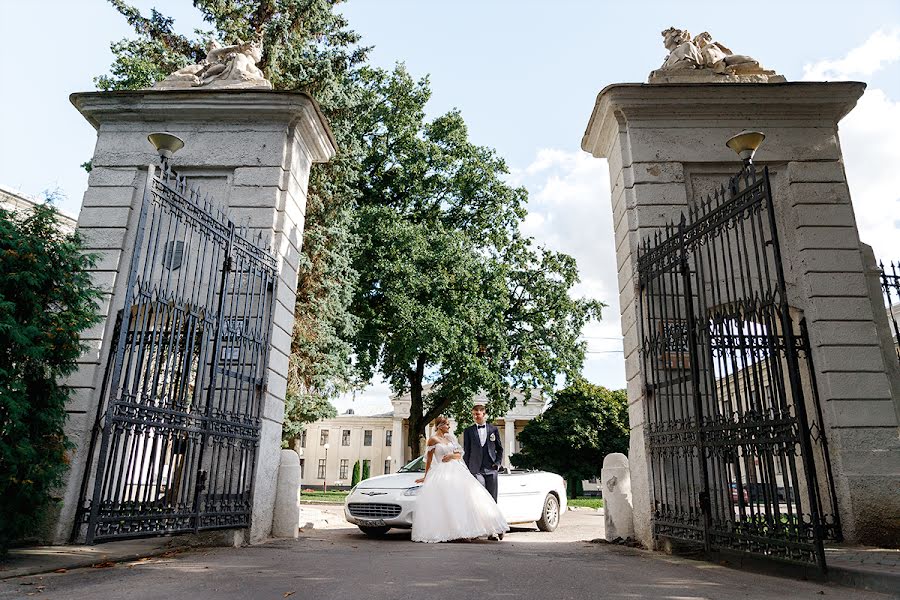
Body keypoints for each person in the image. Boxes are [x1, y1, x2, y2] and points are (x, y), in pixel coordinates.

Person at [410, 416, 509, 543]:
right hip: (442, 472)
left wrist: (451, 455)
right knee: (449, 502)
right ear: (440, 425)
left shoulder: (450, 438)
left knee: (467, 499)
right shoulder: (432, 440)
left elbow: (459, 454)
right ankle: (454, 532)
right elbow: (429, 460)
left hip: (457, 471)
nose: (449, 427)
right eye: (447, 424)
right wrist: (425, 476)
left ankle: (467, 530)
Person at [462, 403, 505, 540]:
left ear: (484, 414)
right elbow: (467, 451)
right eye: (474, 414)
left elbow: (500, 448)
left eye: (478, 414)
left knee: (492, 499)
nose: (475, 416)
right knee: (479, 499)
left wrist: (498, 463)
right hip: (476, 469)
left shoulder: (493, 429)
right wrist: (467, 468)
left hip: (491, 469)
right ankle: (476, 530)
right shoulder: (468, 431)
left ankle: (493, 531)